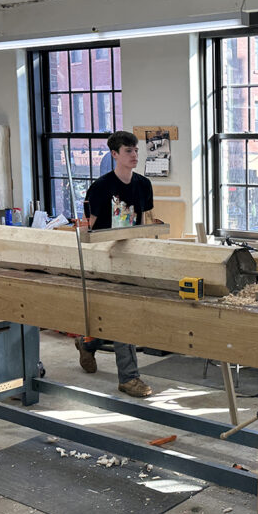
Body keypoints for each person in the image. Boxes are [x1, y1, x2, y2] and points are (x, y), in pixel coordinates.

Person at [75, 130, 156, 398]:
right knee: (122, 318)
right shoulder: (101, 187)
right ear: (114, 154)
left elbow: (144, 221)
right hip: (104, 259)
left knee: (116, 317)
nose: (134, 156)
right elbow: (91, 229)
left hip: (131, 257)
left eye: (136, 151)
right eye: (128, 151)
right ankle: (129, 378)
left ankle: (88, 343)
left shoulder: (143, 185)